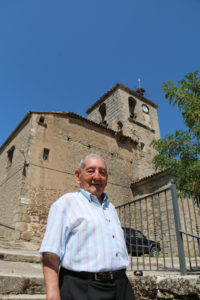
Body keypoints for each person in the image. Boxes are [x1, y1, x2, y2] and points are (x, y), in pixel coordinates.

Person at [39, 153, 134, 300]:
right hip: (83, 288)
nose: (97, 176)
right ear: (78, 176)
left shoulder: (111, 208)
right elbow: (51, 253)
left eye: (102, 172)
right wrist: (52, 295)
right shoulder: (65, 204)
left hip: (121, 287)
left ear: (107, 179)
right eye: (91, 171)